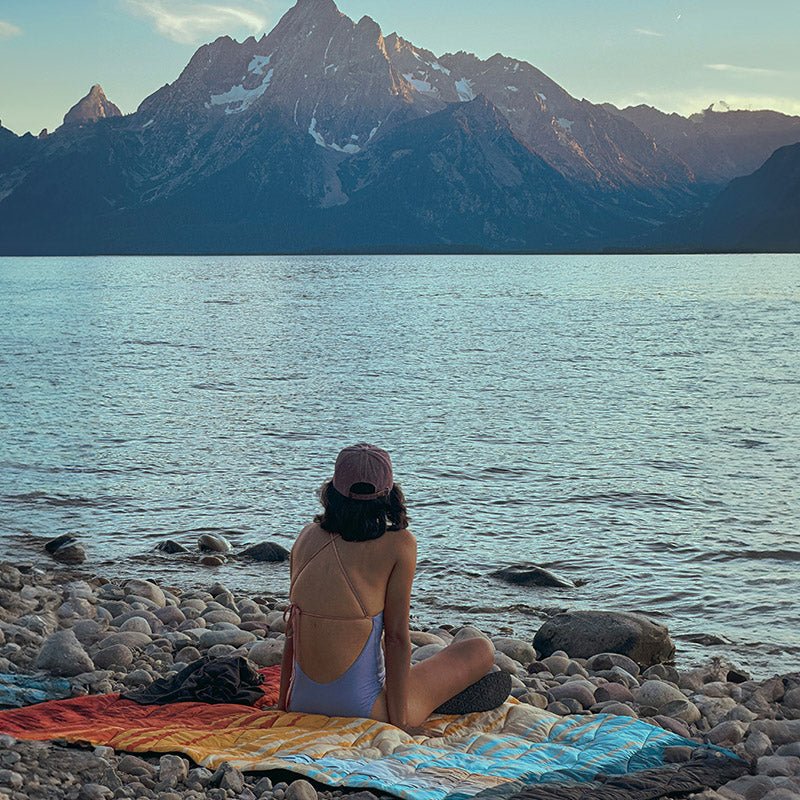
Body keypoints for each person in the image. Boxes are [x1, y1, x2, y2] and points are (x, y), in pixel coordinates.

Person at [277, 443, 510, 729]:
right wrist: (400, 725)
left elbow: (292, 631)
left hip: (301, 700)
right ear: (389, 493)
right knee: (480, 649)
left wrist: (283, 707)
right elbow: (397, 639)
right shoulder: (399, 544)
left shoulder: (306, 536)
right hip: (364, 708)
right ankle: (435, 699)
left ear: (332, 490)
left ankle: (428, 693)